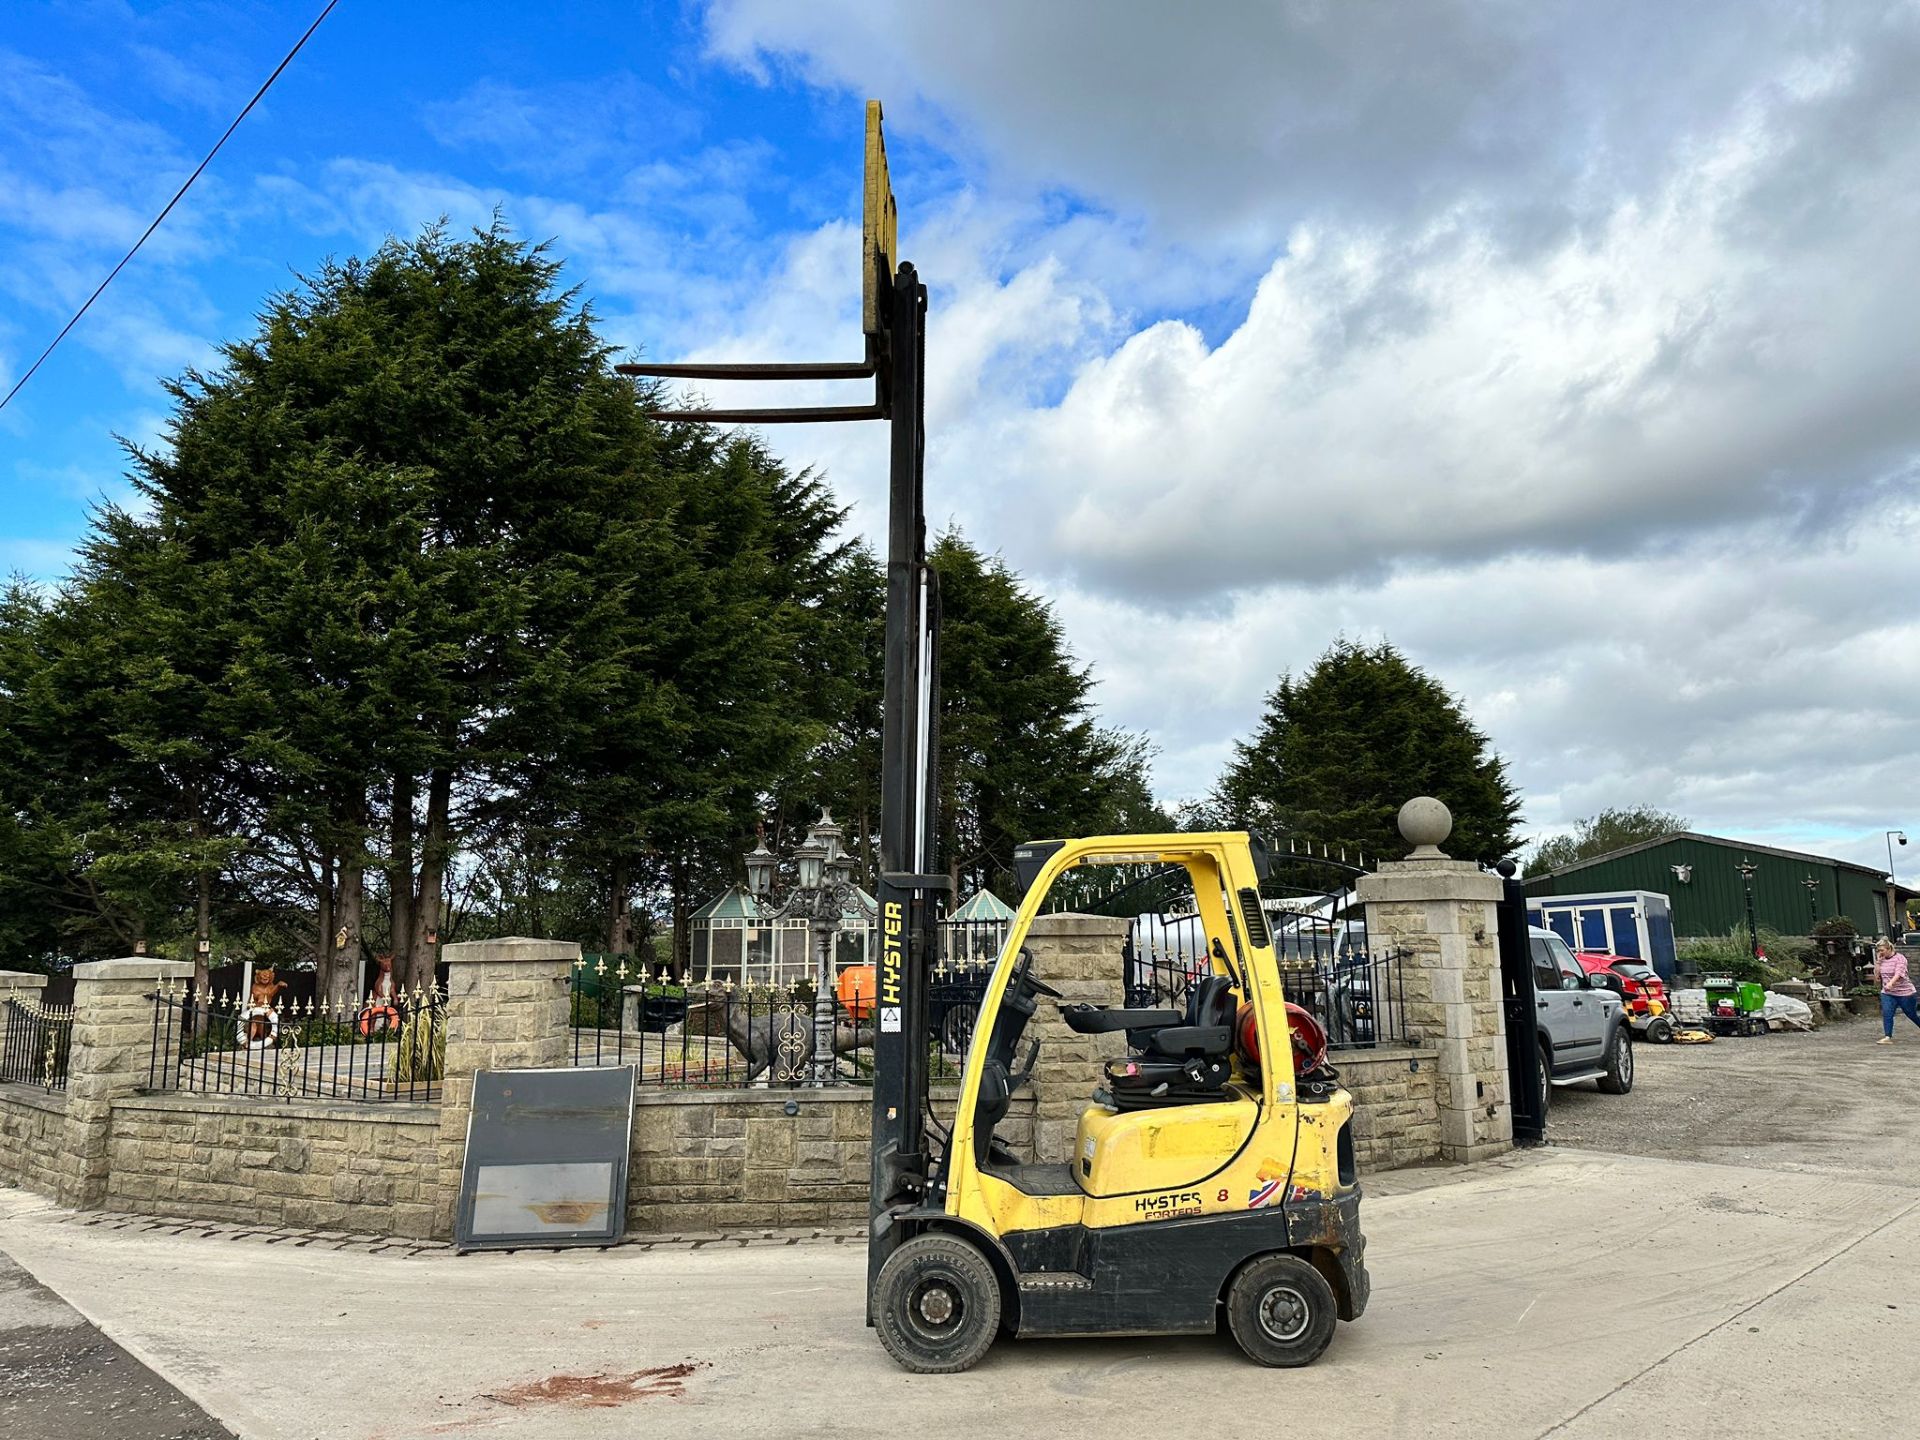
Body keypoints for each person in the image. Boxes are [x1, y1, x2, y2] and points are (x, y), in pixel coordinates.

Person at [1874, 939, 1919, 1045]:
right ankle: (1887, 1036)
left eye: (1882, 950)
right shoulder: (1882, 959)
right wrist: (1878, 962)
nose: (1880, 952)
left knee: (1911, 1014)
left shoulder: (1900, 958)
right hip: (1888, 993)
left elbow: (1899, 973)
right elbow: (1877, 977)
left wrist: (1891, 983)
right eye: (1878, 950)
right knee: (1887, 1013)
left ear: (1889, 948)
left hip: (1905, 992)